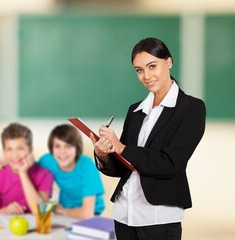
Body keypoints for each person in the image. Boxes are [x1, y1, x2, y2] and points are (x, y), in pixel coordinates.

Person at [90, 37, 206, 240]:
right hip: (124, 213)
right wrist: (104, 154)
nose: (146, 76)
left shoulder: (191, 108)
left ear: (168, 62)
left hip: (158, 217)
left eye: (152, 66)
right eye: (139, 70)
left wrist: (122, 147)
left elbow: (171, 164)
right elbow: (125, 166)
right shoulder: (135, 110)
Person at [38, 124, 105, 219]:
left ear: (77, 148)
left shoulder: (87, 166)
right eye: (57, 146)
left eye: (68, 146)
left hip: (92, 214)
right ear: (52, 149)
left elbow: (87, 214)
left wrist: (59, 210)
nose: (62, 152)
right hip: (65, 209)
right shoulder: (47, 161)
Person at [0, 123, 54, 215]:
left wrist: (23, 173)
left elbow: (41, 212)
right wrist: (5, 211)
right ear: (4, 152)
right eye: (9, 149)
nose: (15, 155)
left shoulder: (45, 175)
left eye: (20, 148)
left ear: (30, 150)